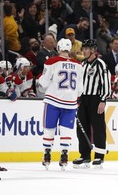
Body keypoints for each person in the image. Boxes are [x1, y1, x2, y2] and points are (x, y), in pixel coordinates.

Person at [38, 38, 83, 170]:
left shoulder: (51, 61)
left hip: (53, 100)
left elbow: (44, 83)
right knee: (66, 131)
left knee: (49, 129)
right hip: (70, 103)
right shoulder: (78, 65)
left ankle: (47, 154)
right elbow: (80, 89)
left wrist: (40, 80)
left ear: (58, 48)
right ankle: (64, 154)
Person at [73, 39, 111, 169]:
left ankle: (99, 156)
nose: (83, 51)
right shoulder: (82, 64)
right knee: (82, 128)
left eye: (86, 48)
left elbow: (106, 83)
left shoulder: (100, 64)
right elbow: (78, 82)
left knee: (98, 128)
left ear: (93, 50)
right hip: (83, 99)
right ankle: (85, 155)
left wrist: (103, 100)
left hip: (96, 99)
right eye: (83, 48)